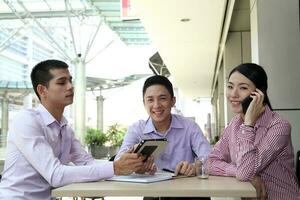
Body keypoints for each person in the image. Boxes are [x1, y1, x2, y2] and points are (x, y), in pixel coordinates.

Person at [0, 59, 146, 200]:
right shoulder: (26, 120)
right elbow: (55, 175)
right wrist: (116, 167)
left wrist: (128, 164)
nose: (70, 86)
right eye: (62, 82)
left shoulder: (64, 127)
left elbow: (87, 162)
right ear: (42, 90)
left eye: (70, 80)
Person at [207, 63, 300, 200]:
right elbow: (210, 162)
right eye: (230, 86)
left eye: (243, 88)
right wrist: (239, 172)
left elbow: (244, 173)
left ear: (259, 93)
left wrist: (248, 124)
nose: (233, 94)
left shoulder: (279, 126)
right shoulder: (234, 124)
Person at [116, 75, 211, 200]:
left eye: (162, 98)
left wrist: (194, 167)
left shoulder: (189, 127)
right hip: (154, 191)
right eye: (150, 100)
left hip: (188, 192)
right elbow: (118, 164)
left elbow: (210, 158)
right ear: (144, 103)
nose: (156, 105)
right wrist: (135, 164)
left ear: (173, 101)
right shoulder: (137, 129)